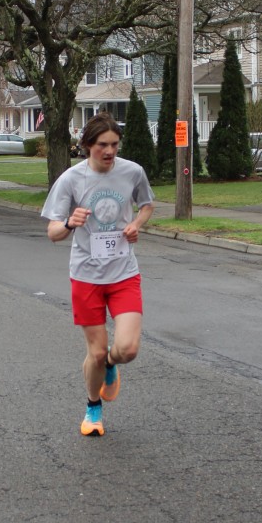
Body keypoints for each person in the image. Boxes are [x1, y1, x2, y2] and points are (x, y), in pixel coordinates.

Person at [41, 112, 156, 438]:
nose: (109, 151)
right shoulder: (71, 179)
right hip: (86, 276)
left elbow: (147, 204)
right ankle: (93, 407)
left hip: (123, 273)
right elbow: (52, 232)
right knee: (95, 351)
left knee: (128, 349)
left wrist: (136, 224)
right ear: (87, 145)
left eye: (114, 145)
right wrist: (69, 223)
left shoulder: (132, 171)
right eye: (102, 145)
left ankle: (110, 364)